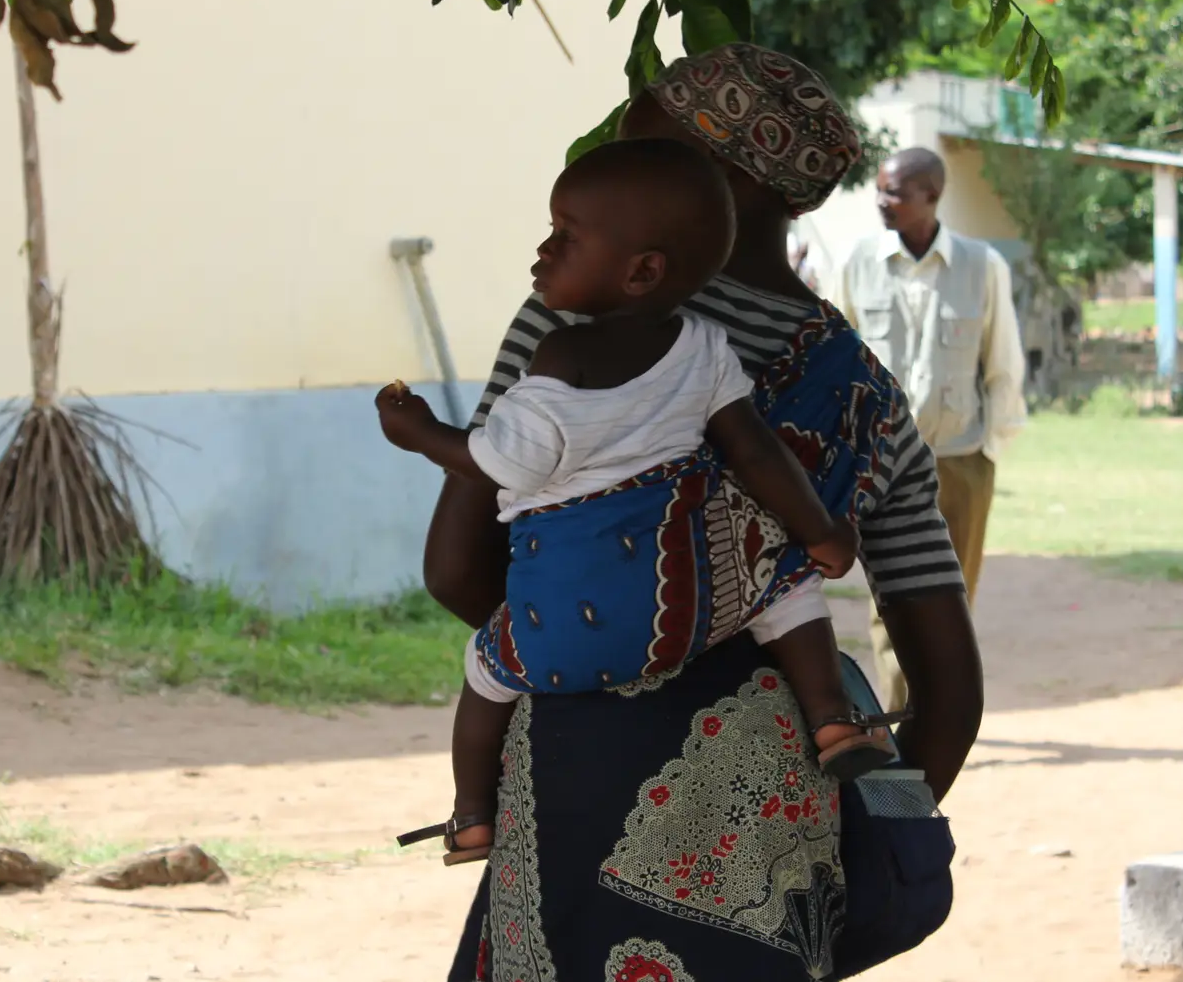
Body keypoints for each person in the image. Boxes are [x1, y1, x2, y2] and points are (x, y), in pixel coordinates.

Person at [424, 44, 983, 982]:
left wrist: (594, 635)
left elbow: (456, 571)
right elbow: (951, 688)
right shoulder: (874, 400)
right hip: (777, 830)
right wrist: (850, 851)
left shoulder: (576, 330)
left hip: (575, 779)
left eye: (642, 149)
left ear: (723, 178)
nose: (613, 165)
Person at [374, 139, 886, 866]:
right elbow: (757, 453)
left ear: (643, 270)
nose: (542, 253)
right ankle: (834, 718)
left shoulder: (556, 353)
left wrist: (419, 431)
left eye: (564, 237)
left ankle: (470, 814)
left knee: (486, 669)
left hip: (557, 644)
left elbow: (494, 469)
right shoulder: (740, 352)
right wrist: (824, 535)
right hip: (685, 612)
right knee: (789, 584)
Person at [821, 147, 1025, 713]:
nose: (882, 201)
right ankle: (896, 719)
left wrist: (989, 450)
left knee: (951, 602)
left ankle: (939, 717)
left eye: (896, 192)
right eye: (880, 190)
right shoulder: (858, 263)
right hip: (879, 464)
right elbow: (834, 357)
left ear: (931, 197)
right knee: (889, 601)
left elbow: (1002, 363)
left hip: (960, 461)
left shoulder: (981, 266)